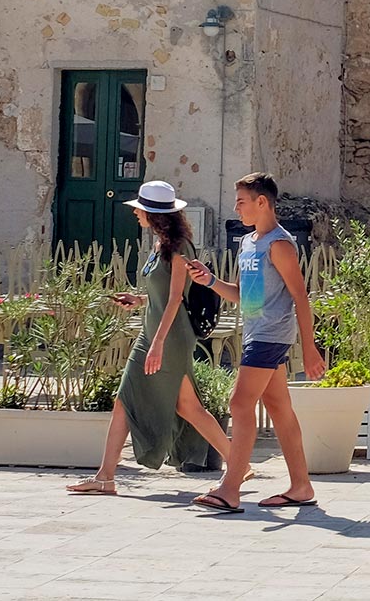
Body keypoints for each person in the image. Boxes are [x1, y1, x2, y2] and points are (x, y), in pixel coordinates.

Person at [65, 180, 232, 495]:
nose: (135, 214)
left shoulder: (180, 247)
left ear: (153, 213)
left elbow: (175, 299)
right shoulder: (160, 245)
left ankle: (105, 477)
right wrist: (139, 300)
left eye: (139, 209)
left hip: (166, 336)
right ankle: (240, 464)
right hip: (155, 331)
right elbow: (160, 294)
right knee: (186, 406)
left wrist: (156, 344)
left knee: (131, 402)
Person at [185, 172, 325, 513]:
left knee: (239, 403)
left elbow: (301, 297)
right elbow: (241, 296)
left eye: (241, 201)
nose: (236, 208)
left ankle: (230, 489)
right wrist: (210, 280)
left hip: (270, 335)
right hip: (256, 332)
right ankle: (301, 485)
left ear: (262, 202)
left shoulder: (280, 244)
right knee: (278, 407)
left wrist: (310, 348)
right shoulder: (248, 244)